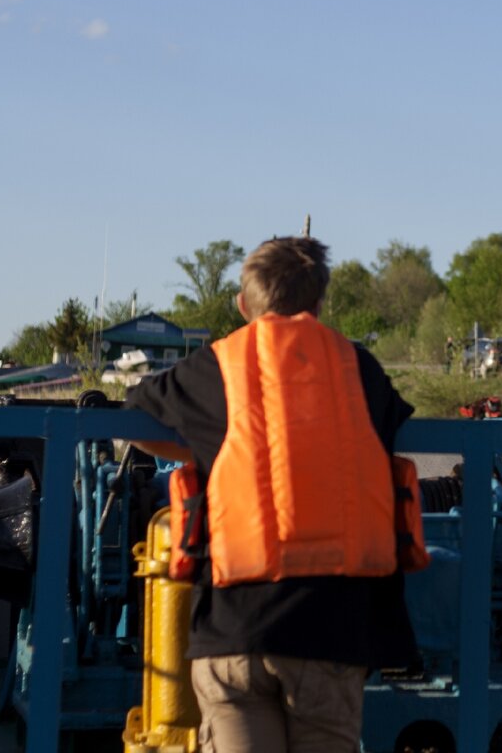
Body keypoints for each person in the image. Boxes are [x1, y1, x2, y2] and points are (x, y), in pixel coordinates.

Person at [126, 236, 417, 753]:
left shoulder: (215, 368)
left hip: (235, 634)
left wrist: (207, 449)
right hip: (333, 636)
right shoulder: (361, 370)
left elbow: (138, 421)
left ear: (243, 305)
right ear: (320, 303)